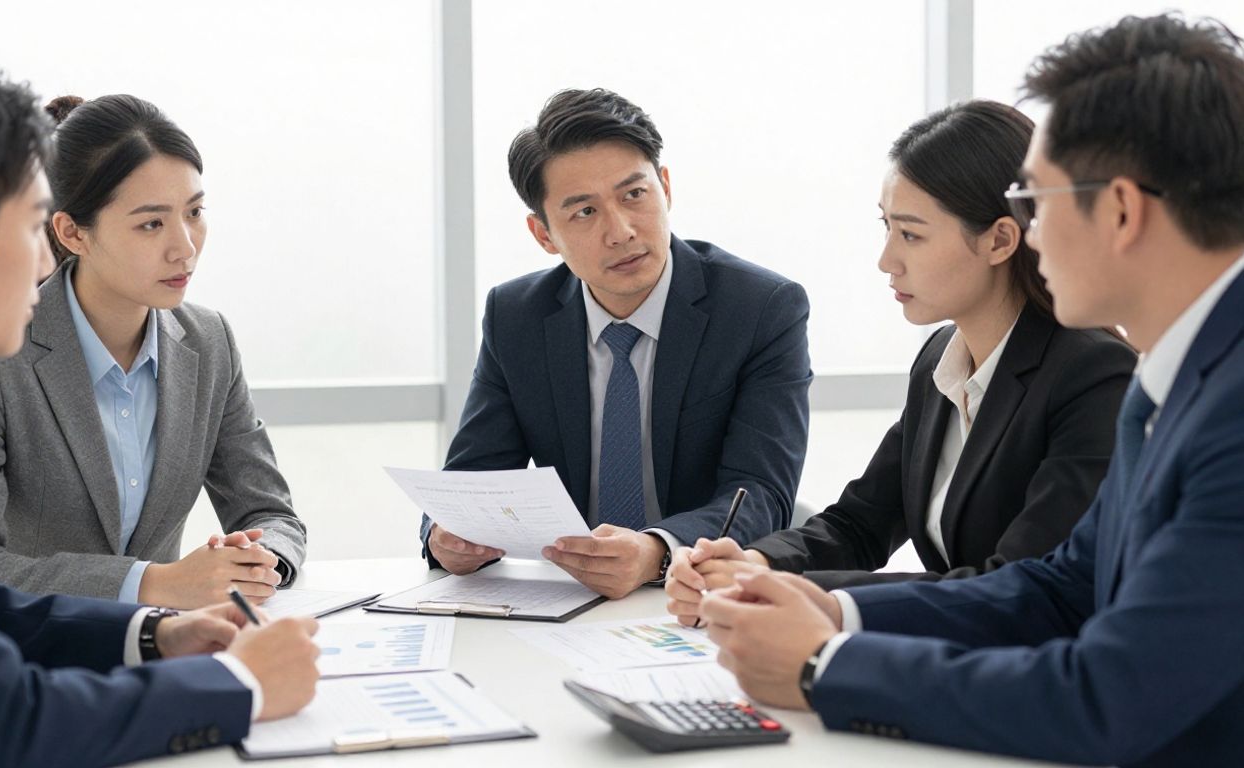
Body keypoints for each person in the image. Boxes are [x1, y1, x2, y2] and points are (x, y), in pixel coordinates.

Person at [699, 14, 1244, 766]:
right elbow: (1058, 588)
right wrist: (836, 610)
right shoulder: (1171, 376)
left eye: (1041, 201)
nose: (1033, 233)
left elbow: (1109, 697)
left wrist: (823, 665)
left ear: (1121, 210)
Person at [0, 51, 318, 767]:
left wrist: (151, 633)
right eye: (31, 228)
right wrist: (236, 684)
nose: (44, 263)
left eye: (196, 212)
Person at [665, 101, 1134, 624]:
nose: (886, 259)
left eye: (910, 234)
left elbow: (1020, 585)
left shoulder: (1094, 378)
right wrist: (756, 564)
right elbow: (861, 524)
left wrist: (824, 603)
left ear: (1000, 239)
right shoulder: (941, 359)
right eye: (886, 227)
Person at [422, 88, 811, 599]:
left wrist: (657, 550)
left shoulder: (760, 308)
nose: (622, 231)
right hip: (568, 598)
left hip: (700, 594)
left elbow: (761, 492)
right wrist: (446, 536)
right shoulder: (517, 316)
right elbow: (474, 478)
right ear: (544, 234)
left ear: (665, 187)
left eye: (634, 194)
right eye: (584, 212)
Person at [0, 93, 307, 609]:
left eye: (195, 212)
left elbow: (271, 514)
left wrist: (258, 559)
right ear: (72, 232)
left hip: (166, 651)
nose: (185, 246)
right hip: (31, 662)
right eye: (151, 224)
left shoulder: (210, 342)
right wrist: (152, 583)